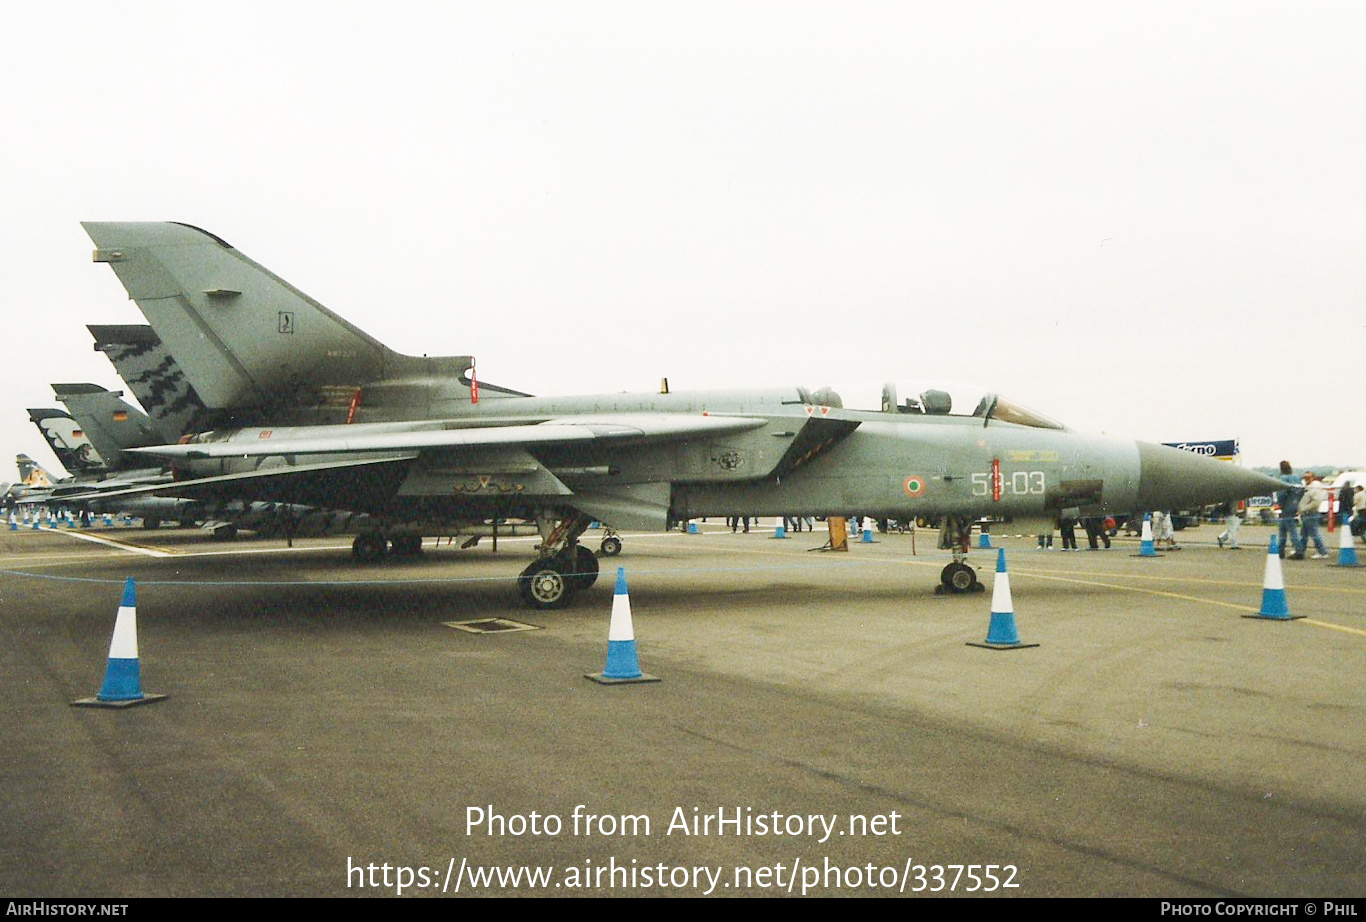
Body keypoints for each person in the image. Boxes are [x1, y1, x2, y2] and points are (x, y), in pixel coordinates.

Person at [1294, 472, 1329, 559]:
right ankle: (1301, 550)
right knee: (1304, 534)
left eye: (1308, 477)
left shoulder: (1314, 488)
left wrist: (1304, 508)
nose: (1306, 479)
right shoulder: (1309, 488)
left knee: (1314, 534)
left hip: (1311, 513)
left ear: (1313, 478)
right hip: (1307, 514)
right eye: (1305, 477)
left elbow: (1316, 502)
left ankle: (1322, 552)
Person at [1275, 461, 1303, 558]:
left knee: (1291, 529)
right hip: (1294, 504)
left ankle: (1299, 550)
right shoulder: (1296, 478)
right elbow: (1301, 490)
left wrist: (1280, 504)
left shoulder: (1283, 478)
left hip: (1286, 506)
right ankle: (1280, 550)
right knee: (1283, 528)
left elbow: (1281, 494)